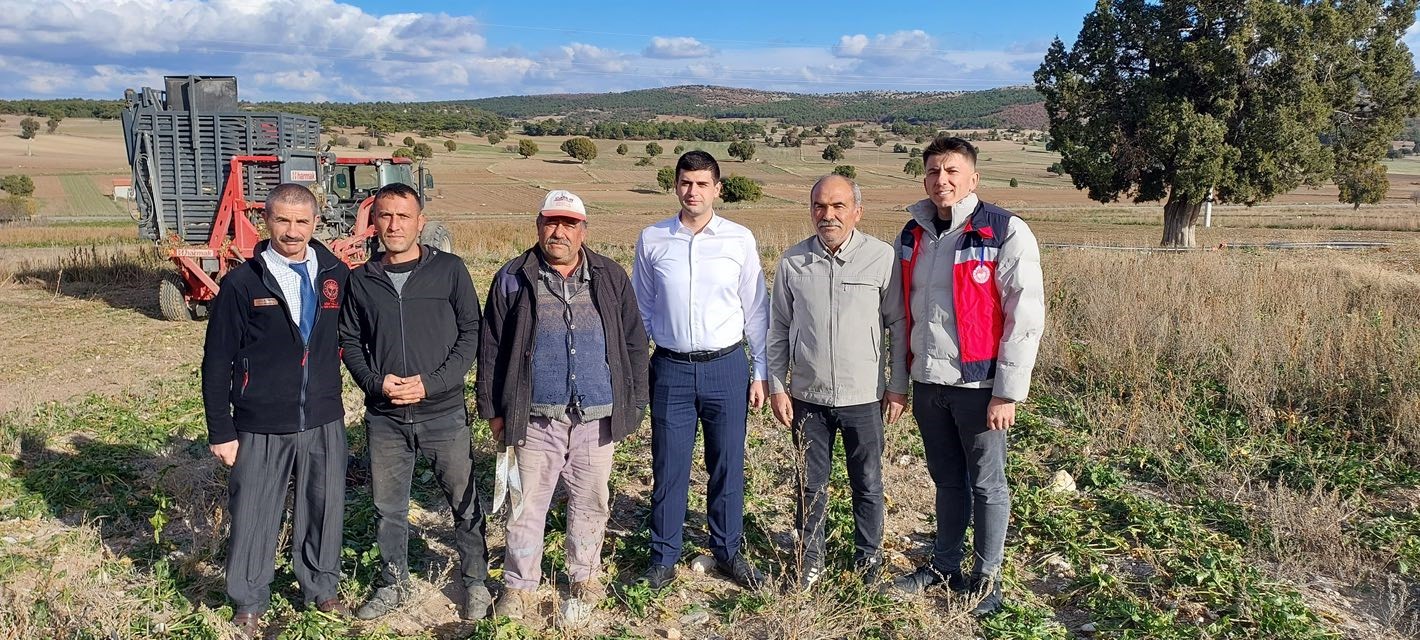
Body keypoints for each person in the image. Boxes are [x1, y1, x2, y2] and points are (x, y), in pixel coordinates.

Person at [884, 136, 1045, 616]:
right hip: (930, 383)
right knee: (947, 480)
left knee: (987, 484)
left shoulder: (1005, 231)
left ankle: (986, 578)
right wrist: (902, 380)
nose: (942, 180)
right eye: (934, 171)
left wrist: (1007, 392)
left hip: (980, 386)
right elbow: (900, 313)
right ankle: (945, 565)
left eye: (953, 171)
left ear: (973, 178)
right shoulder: (912, 235)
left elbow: (1025, 316)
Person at [475, 189, 649, 619]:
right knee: (525, 504)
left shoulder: (610, 276)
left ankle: (585, 577)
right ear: (538, 226)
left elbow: (633, 343)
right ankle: (518, 587)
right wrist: (494, 411)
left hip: (597, 418)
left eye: (569, 224)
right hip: (535, 417)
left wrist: (635, 403)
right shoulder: (513, 277)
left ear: (583, 230)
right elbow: (491, 348)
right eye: (551, 222)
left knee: (591, 501)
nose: (559, 232)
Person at [201, 183, 351, 638]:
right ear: (266, 221)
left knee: (324, 509)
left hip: (323, 418)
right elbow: (217, 359)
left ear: (315, 223)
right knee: (253, 512)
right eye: (282, 220)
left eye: (301, 221)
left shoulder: (335, 274)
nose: (292, 231)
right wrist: (221, 429)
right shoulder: (243, 282)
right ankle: (248, 601)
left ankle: (321, 587)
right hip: (260, 422)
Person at [337, 183, 491, 620]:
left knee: (463, 501)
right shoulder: (362, 279)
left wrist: (433, 383)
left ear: (420, 222)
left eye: (403, 216)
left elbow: (470, 334)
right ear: (374, 222)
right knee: (389, 508)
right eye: (385, 216)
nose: (394, 225)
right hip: (385, 417)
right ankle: (393, 583)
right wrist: (374, 382)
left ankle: (476, 581)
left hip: (443, 413)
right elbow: (349, 339)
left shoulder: (450, 271)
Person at [632, 150, 769, 590]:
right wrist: (664, 344)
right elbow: (642, 307)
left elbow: (756, 311)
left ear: (717, 189)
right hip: (670, 368)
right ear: (675, 185)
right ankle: (663, 556)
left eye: (702, 184)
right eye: (686, 182)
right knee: (668, 465)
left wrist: (760, 371)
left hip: (726, 367)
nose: (693, 191)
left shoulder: (739, 240)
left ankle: (728, 552)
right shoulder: (652, 239)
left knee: (727, 463)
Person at [766, 174, 907, 590]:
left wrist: (897, 385)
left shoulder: (881, 258)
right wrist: (778, 385)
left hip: (864, 396)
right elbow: (778, 327)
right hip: (807, 397)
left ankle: (868, 561)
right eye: (819, 207)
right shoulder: (793, 262)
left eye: (838, 206)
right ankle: (810, 562)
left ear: (857, 211)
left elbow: (897, 323)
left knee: (867, 483)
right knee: (810, 486)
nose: (828, 215)